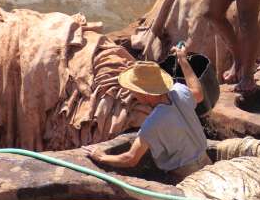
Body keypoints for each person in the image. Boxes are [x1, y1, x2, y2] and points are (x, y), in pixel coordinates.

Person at [88, 50, 210, 180]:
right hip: (206, 162)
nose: (133, 94)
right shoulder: (180, 91)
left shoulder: (153, 123)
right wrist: (183, 60)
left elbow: (130, 159)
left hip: (186, 174)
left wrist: (101, 157)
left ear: (145, 94)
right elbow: (198, 92)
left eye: (134, 91)